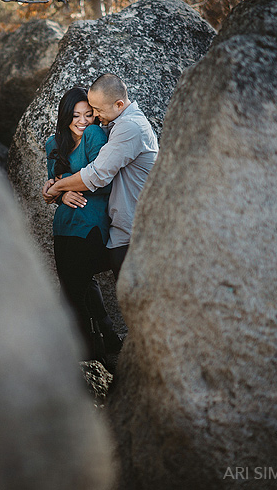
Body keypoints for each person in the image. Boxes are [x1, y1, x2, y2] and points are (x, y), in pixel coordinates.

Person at [43, 73, 158, 279]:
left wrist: (57, 188)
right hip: (120, 232)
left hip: (135, 232)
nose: (94, 116)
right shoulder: (115, 123)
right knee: (78, 280)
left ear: (119, 104)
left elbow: (96, 175)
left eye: (96, 110)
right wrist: (57, 185)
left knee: (134, 303)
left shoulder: (129, 128)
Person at [45, 87, 123, 365]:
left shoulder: (93, 135)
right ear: (65, 117)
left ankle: (92, 359)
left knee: (74, 296)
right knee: (72, 286)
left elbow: (102, 182)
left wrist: (61, 184)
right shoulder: (52, 143)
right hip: (63, 226)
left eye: (88, 115)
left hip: (90, 224)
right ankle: (109, 339)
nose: (82, 121)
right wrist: (62, 192)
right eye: (75, 115)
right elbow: (52, 191)